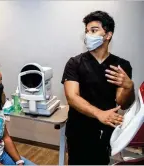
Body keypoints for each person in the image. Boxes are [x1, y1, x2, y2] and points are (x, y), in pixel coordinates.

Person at [62, 11, 135, 165]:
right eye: (87, 31)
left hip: (105, 130)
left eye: (93, 30)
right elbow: (72, 97)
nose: (88, 35)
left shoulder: (121, 66)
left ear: (108, 35)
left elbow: (123, 103)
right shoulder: (75, 63)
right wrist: (98, 113)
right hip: (79, 130)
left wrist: (129, 87)